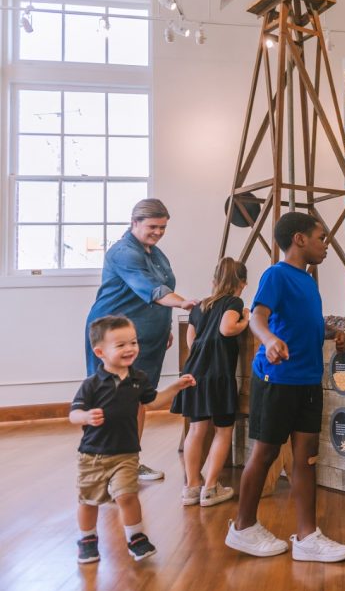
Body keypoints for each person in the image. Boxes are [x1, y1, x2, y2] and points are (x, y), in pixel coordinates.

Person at [225, 212, 345, 562]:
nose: (325, 245)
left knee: (307, 459)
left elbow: (304, 321)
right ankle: (243, 527)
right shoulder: (276, 275)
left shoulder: (308, 281)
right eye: (321, 237)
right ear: (299, 239)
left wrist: (331, 333)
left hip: (309, 380)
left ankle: (307, 537)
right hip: (277, 381)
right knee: (265, 454)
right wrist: (268, 341)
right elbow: (257, 317)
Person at [84, 199, 198, 482]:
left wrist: (164, 327)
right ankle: (106, 469)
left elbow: (160, 292)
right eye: (152, 226)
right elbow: (153, 290)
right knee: (114, 402)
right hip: (115, 337)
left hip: (147, 336)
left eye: (163, 227)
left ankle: (129, 462)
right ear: (134, 223)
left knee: (137, 401)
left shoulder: (157, 254)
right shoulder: (123, 253)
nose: (158, 232)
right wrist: (185, 304)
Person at [71, 315, 196, 564]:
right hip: (93, 455)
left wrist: (176, 387)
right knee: (89, 499)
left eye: (133, 342)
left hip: (126, 453)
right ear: (100, 352)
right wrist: (85, 415)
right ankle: (87, 539)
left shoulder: (138, 379)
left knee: (128, 495)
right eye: (121, 345)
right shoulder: (92, 385)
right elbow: (73, 414)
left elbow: (154, 401)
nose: (130, 349)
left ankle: (136, 537)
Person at [172, 257, 250, 507]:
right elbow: (227, 329)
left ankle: (191, 486)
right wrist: (245, 319)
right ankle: (210, 488)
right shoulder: (234, 302)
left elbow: (191, 342)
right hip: (219, 375)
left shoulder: (199, 306)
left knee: (196, 430)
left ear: (214, 281)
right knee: (223, 430)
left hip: (195, 373)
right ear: (242, 283)